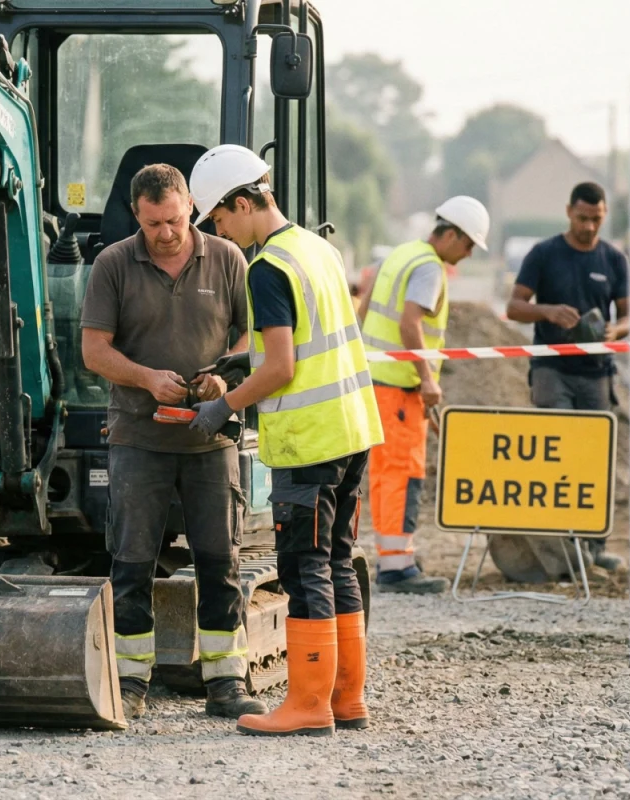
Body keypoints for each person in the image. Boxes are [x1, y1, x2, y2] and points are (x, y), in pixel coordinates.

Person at [186, 144, 383, 737]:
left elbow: (282, 367)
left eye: (221, 221)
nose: (222, 234)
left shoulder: (267, 267)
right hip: (352, 432)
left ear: (243, 202)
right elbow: (304, 337)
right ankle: (347, 701)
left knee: (304, 571)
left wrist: (223, 404)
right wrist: (235, 357)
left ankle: (307, 705)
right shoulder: (318, 248)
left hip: (309, 444)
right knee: (339, 565)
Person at [79, 164, 267, 721]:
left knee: (220, 559)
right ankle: (131, 680)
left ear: (191, 205)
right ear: (137, 215)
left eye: (175, 219)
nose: (167, 232)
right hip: (139, 437)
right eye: (154, 222)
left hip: (211, 436)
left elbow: (247, 332)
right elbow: (94, 350)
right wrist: (145, 378)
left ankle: (226, 681)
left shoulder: (228, 258)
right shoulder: (114, 264)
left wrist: (224, 377)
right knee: (132, 559)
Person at [358, 196, 491, 594]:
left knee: (385, 473)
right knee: (403, 473)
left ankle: (392, 559)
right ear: (450, 234)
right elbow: (410, 323)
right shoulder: (430, 268)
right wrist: (427, 380)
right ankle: (397, 567)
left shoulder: (402, 254)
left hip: (379, 382)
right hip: (399, 387)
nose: (466, 255)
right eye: (468, 245)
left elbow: (364, 308)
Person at [505, 181, 629, 573]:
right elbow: (513, 307)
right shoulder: (544, 254)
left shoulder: (614, 259)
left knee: (595, 456)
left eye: (596, 219)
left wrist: (618, 331)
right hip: (551, 369)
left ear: (604, 215)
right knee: (556, 450)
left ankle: (594, 547)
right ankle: (560, 549)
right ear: (568, 212)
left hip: (596, 373)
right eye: (582, 218)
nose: (590, 227)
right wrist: (548, 312)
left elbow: (629, 314)